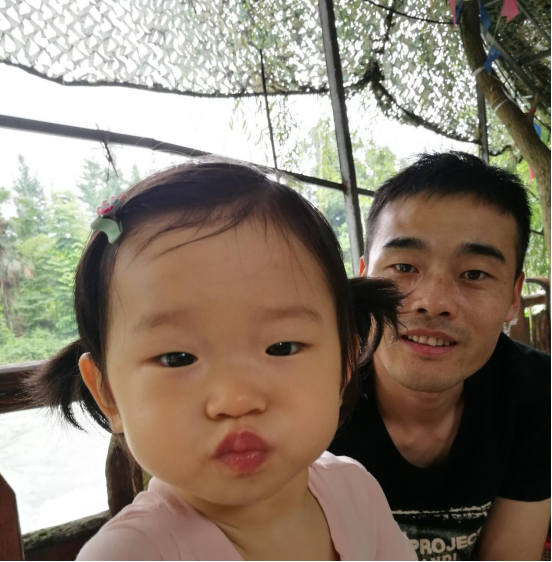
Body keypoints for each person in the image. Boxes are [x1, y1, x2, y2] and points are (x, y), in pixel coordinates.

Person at [28, 159, 416, 561]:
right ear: (108, 393)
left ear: (345, 363)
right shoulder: (127, 555)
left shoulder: (355, 490)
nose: (236, 400)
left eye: (282, 347)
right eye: (177, 358)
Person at [329, 152, 551, 562]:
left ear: (513, 296)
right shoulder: (309, 392)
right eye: (403, 267)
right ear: (364, 278)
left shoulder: (536, 391)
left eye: (474, 274)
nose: (433, 303)